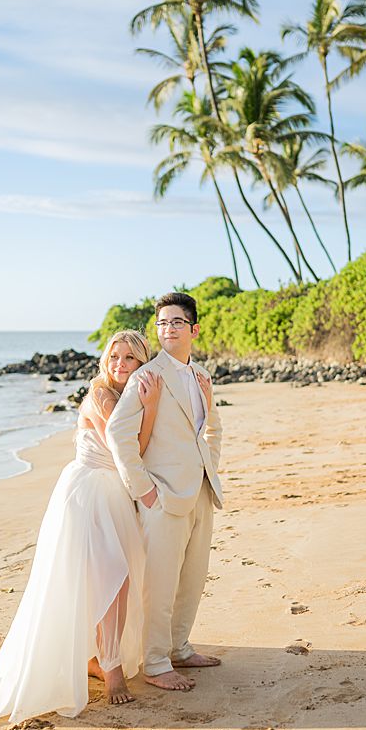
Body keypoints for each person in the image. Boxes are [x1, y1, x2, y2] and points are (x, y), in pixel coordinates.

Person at [0, 330, 161, 729]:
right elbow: (132, 449)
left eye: (130, 359)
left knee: (111, 580)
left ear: (142, 363)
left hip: (115, 497)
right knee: (107, 577)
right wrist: (152, 405)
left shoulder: (128, 396)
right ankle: (111, 667)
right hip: (88, 495)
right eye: (114, 357)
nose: (120, 364)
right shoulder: (101, 396)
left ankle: (94, 656)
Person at [105, 292, 223, 693]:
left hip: (201, 491)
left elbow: (213, 429)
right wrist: (144, 491)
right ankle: (155, 663)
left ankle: (179, 647)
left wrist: (210, 469)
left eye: (175, 322)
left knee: (192, 577)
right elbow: (118, 434)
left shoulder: (202, 374)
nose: (167, 329)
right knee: (160, 581)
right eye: (161, 323)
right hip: (163, 496)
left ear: (194, 329)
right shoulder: (146, 377)